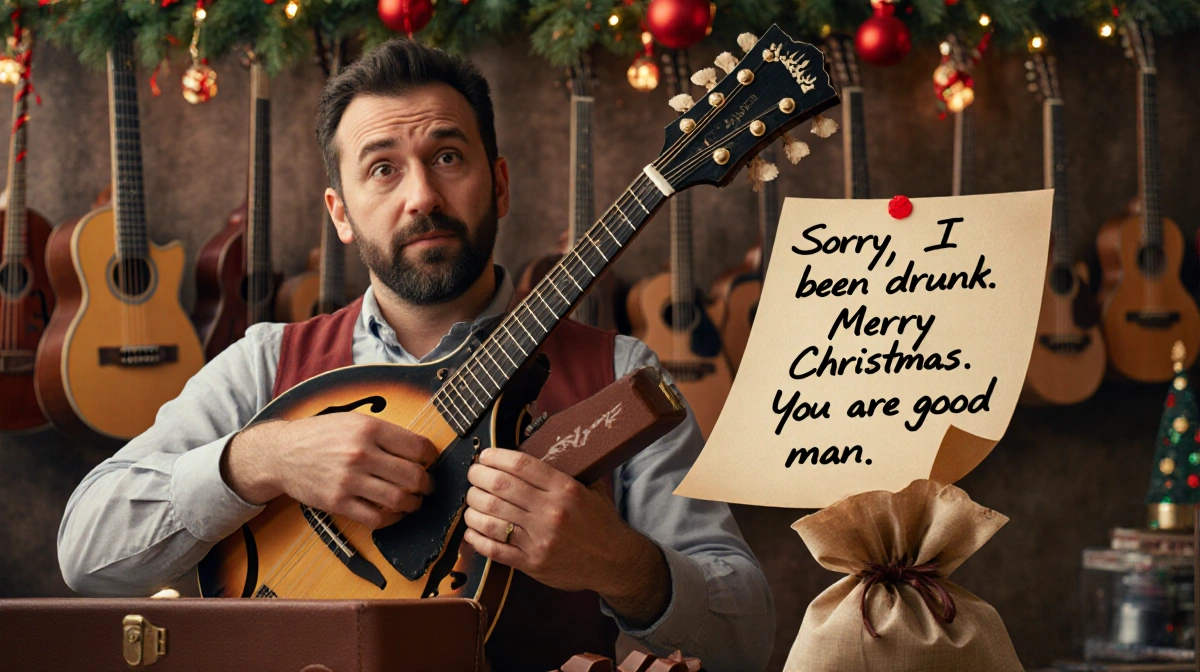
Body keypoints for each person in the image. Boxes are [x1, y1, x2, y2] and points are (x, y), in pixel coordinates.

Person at [57, 39, 774, 672]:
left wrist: (620, 563)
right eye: (382, 170)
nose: (422, 196)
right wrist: (261, 458)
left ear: (498, 183)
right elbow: (87, 556)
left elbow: (751, 638)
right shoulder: (264, 364)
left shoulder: (620, 374)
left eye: (448, 157)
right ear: (340, 213)